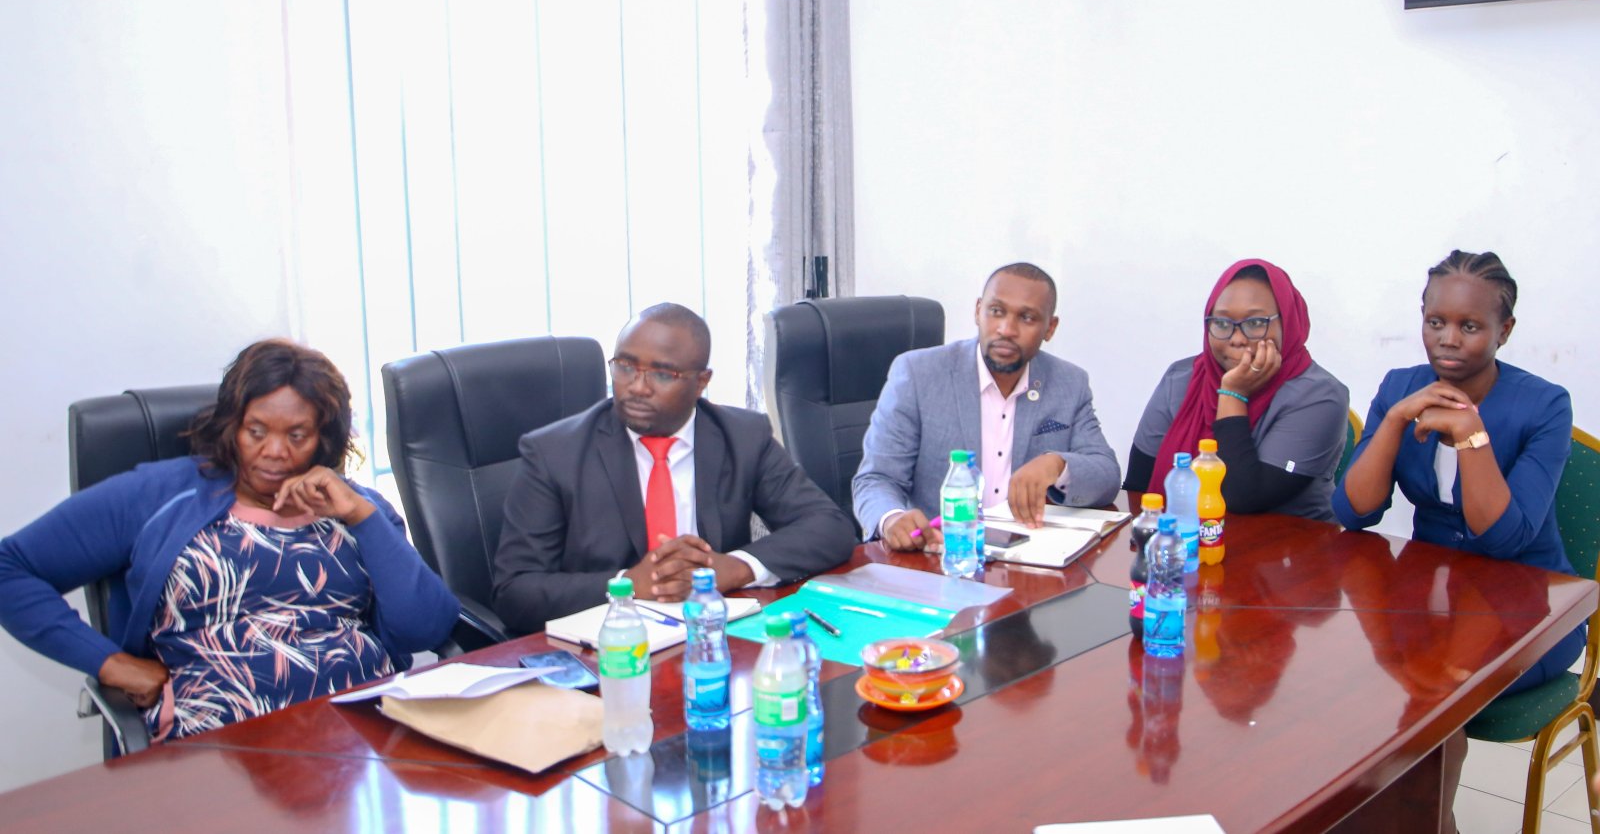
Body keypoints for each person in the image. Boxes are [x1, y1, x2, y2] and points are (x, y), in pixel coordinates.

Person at [0, 340, 459, 743]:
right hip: (220, 745)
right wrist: (110, 663)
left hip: (364, 733)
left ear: (324, 439)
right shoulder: (158, 495)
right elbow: (10, 567)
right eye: (256, 431)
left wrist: (362, 518)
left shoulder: (357, 507)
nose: (274, 451)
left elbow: (427, 629)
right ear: (231, 426)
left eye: (297, 435)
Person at [1334, 250, 1580, 834]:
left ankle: (1428, 823)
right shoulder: (1401, 386)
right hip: (1432, 597)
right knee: (1351, 682)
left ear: (1504, 330)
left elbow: (1506, 540)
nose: (1448, 339)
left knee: (1431, 693)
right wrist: (1395, 421)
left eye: (1470, 326)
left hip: (1529, 608)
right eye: (1435, 322)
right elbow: (1353, 512)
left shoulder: (1544, 405)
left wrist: (1472, 435)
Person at [492, 303, 858, 634]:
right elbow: (514, 592)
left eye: (663, 375)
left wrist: (734, 568)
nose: (637, 387)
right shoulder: (554, 453)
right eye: (625, 367)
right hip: (607, 643)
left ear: (701, 382)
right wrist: (627, 584)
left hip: (711, 633)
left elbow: (829, 527)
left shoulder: (742, 437)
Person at [851, 262, 1120, 551]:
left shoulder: (1069, 383)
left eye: (1027, 318)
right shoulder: (918, 374)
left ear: (1050, 328)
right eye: (996, 311)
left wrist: (1057, 464)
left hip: (1029, 555)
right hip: (939, 553)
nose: (1007, 329)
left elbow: (1107, 475)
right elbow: (876, 479)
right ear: (978, 311)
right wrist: (891, 518)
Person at [1123, 259, 1350, 521]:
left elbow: (1244, 496)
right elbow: (1139, 486)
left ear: (1288, 321)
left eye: (1255, 323)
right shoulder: (1182, 379)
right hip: (1181, 538)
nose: (1237, 338)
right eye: (1222, 323)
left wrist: (1232, 394)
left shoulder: (1320, 397)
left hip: (1289, 543)